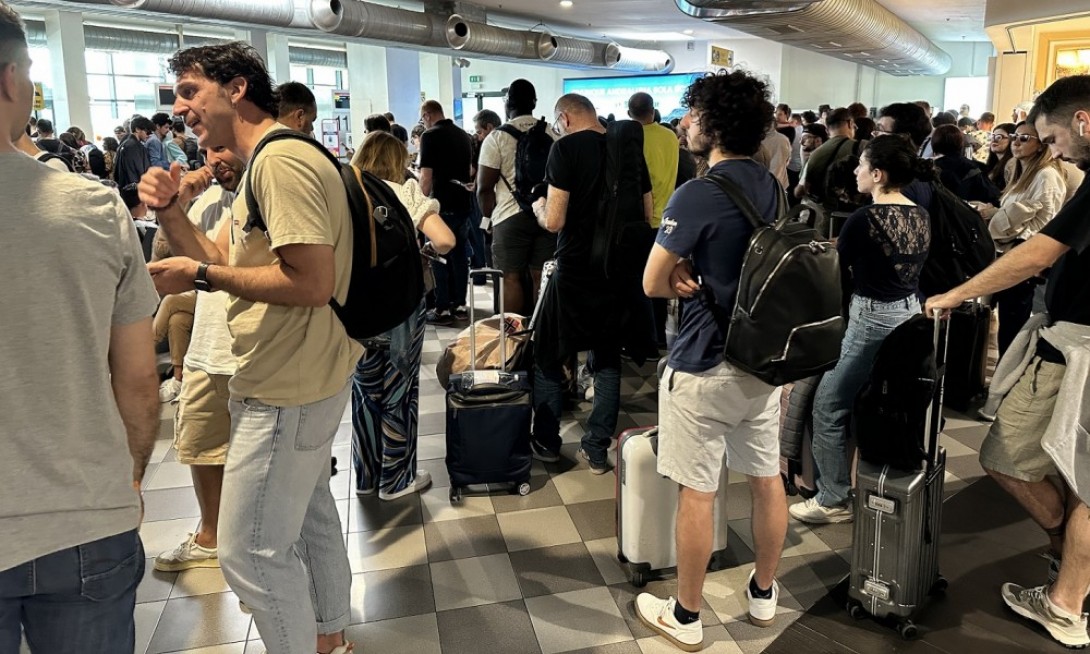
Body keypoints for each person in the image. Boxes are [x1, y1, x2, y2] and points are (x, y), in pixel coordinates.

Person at [139, 42, 360, 654]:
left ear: (236, 89)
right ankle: (329, 638)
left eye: (190, 91)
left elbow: (310, 282)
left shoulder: (278, 164)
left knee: (250, 552)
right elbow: (218, 259)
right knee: (312, 518)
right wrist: (171, 211)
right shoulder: (265, 163)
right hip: (303, 373)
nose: (180, 106)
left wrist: (205, 278)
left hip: (286, 382)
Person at [0, 3, 160, 650]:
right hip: (84, 520)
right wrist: (131, 477)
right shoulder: (91, 207)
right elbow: (140, 382)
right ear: (11, 80)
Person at [926, 74, 1090, 650]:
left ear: (1081, 122)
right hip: (1073, 340)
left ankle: (1066, 600)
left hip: (1079, 349)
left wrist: (955, 293)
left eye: (1051, 136)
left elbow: (1037, 251)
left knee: (1006, 456)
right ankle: (1071, 579)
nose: (1053, 149)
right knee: (1078, 475)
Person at [634, 70, 790, 652]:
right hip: (763, 361)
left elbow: (652, 282)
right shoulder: (772, 186)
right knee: (766, 479)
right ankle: (765, 594)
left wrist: (675, 273)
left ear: (712, 124)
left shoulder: (699, 192)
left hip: (704, 363)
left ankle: (687, 614)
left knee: (697, 492)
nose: (684, 125)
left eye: (691, 115)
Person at [790, 135, 932, 525]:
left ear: (878, 174)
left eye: (861, 165)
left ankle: (833, 497)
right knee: (880, 398)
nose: (855, 171)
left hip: (871, 318)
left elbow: (837, 266)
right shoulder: (920, 213)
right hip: (909, 312)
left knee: (829, 404)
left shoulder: (863, 219)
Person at [529, 93, 652, 472]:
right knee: (607, 358)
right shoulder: (628, 149)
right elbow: (646, 213)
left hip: (575, 270)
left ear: (564, 119)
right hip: (617, 271)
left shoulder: (565, 151)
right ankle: (597, 448)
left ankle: (547, 442)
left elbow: (554, 220)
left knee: (549, 352)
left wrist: (537, 207)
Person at [152, 147, 244, 572]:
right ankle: (210, 534)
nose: (215, 159)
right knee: (200, 446)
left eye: (224, 148)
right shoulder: (203, 202)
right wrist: (178, 202)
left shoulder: (266, 189)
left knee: (263, 460)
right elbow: (162, 263)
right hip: (208, 347)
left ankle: (256, 550)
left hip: (257, 352)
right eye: (208, 150)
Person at [349, 131, 455, 499]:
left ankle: (365, 477)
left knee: (363, 391)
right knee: (398, 390)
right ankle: (395, 480)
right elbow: (445, 240)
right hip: (400, 308)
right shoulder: (404, 190)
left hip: (356, 308)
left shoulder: (346, 192)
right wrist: (419, 246)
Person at [972, 120, 1066, 356]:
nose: (1016, 142)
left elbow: (1047, 221)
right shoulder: (1019, 171)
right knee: (1004, 319)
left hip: (1024, 252)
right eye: (1015, 136)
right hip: (1009, 250)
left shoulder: (1047, 175)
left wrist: (999, 216)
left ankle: (1007, 378)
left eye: (1025, 138)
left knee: (1014, 321)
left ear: (1040, 144)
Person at [477, 80, 557, 316]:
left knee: (509, 279)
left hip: (508, 216)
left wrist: (487, 220)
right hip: (546, 214)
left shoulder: (496, 138)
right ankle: (539, 337)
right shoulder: (552, 133)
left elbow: (483, 187)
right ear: (534, 102)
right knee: (540, 277)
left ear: (507, 103)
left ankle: (512, 339)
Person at [629, 91, 680, 347]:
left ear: (629, 113)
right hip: (667, 222)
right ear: (653, 110)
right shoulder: (670, 136)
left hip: (641, 222)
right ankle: (659, 339)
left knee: (640, 285)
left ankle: (644, 342)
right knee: (659, 285)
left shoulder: (632, 139)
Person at [419, 99, 474, 325]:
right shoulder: (463, 135)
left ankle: (442, 309)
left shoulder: (429, 136)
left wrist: (420, 204)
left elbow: (426, 177)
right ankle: (460, 304)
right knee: (460, 255)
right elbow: (470, 170)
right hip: (462, 203)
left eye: (423, 118)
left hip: (440, 205)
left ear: (428, 114)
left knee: (437, 254)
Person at [796, 107, 859, 210]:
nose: (801, 143)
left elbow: (800, 191)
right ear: (850, 123)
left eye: (805, 139)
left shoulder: (816, 155)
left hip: (824, 211)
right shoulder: (862, 148)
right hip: (854, 210)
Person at [931, 124, 1000, 205]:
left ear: (934, 142)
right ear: (961, 143)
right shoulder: (974, 168)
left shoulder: (929, 168)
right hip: (965, 214)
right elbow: (993, 196)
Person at [115, 115, 152, 189]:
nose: (149, 135)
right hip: (134, 193)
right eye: (147, 131)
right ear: (137, 129)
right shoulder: (132, 146)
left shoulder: (128, 143)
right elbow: (135, 173)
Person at [985, 122, 1017, 192]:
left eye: (999, 137)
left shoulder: (1012, 165)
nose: (994, 140)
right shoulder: (995, 163)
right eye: (993, 136)